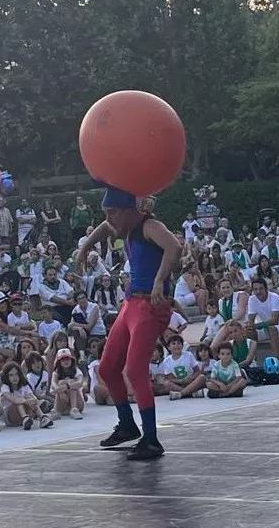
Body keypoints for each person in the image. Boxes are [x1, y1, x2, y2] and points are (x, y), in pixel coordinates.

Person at [76, 187, 182, 460]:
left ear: (128, 211)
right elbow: (105, 226)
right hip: (130, 304)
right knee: (108, 368)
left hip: (150, 305)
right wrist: (85, 247)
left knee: (134, 370)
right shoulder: (125, 225)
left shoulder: (150, 225)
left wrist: (160, 280)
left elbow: (174, 246)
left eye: (112, 212)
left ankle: (151, 438)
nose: (109, 219)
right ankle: (127, 424)